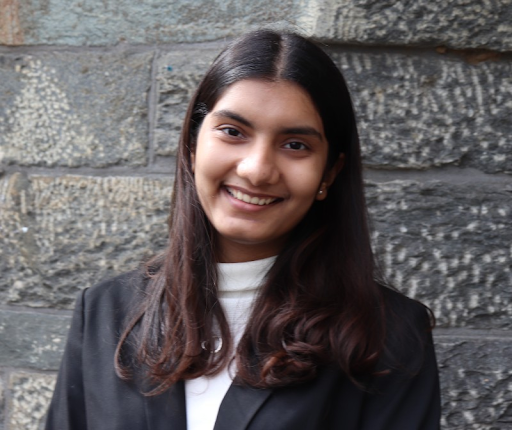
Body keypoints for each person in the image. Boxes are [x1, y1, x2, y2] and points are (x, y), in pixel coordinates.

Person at [45, 30, 441, 430]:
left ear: (329, 173)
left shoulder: (389, 336)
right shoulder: (103, 314)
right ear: (193, 147)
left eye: (296, 145)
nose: (256, 169)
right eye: (233, 132)